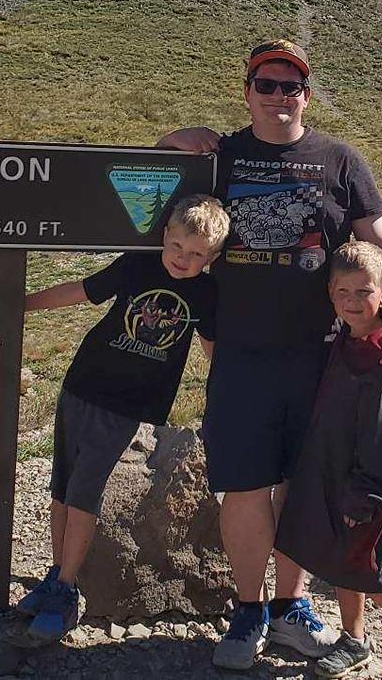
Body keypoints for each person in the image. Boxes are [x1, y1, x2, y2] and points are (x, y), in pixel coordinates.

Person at [158, 40, 382, 670]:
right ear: (247, 91)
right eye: (265, 84)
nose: (279, 96)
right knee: (245, 489)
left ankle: (290, 608)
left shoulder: (340, 161)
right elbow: (140, 183)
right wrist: (172, 138)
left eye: (290, 86)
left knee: (303, 487)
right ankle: (249, 614)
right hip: (241, 356)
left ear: (306, 93)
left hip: (322, 358)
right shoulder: (220, 156)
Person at [12, 194, 229, 646]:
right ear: (165, 236)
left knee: (88, 494)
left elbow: (213, 350)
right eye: (177, 247)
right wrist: (20, 304)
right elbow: (80, 291)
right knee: (63, 490)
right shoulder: (137, 264)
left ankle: (68, 589)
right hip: (83, 386)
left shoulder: (206, 293)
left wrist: (233, 395)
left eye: (196, 255)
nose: (184, 260)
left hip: (132, 408)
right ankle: (56, 576)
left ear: (211, 258)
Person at [276, 241, 382, 678]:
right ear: (331, 293)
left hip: (367, 485)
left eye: (363, 293)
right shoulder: (344, 339)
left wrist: (368, 493)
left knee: (367, 570)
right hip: (334, 472)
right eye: (343, 293)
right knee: (340, 559)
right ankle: (354, 639)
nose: (353, 303)